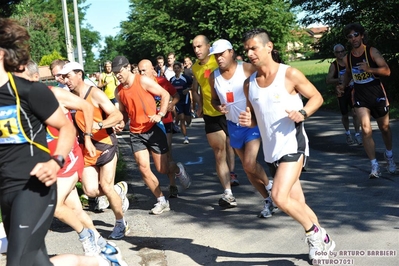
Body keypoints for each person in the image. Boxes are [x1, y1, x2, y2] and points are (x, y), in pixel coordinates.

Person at [0, 17, 126, 266]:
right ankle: (101, 262)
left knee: (19, 261)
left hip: (35, 186)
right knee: (36, 261)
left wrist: (57, 159)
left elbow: (66, 127)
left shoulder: (30, 91)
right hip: (7, 189)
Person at [239, 28, 335, 261]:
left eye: (254, 48)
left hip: (293, 144)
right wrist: (249, 119)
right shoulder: (249, 84)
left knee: (280, 198)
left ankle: (314, 234)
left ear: (269, 47)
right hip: (271, 151)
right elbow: (258, 115)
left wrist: (303, 112)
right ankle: (324, 241)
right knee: (297, 203)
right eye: (247, 50)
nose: (250, 53)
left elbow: (317, 97)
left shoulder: (289, 74)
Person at [58, 61, 129, 240]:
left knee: (105, 185)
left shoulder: (94, 93)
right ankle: (118, 190)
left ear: (79, 74)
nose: (66, 80)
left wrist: (99, 124)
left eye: (68, 76)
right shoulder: (68, 97)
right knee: (90, 190)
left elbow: (117, 115)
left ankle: (120, 222)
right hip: (86, 147)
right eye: (63, 77)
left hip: (105, 142)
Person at [112, 56, 191, 214]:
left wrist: (161, 113)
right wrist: (121, 123)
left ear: (127, 68)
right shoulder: (118, 90)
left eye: (119, 71)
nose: (117, 75)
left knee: (163, 169)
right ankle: (161, 200)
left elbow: (165, 94)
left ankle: (177, 169)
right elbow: (123, 113)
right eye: (115, 73)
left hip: (153, 128)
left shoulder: (142, 81)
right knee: (143, 168)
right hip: (136, 132)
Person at [209, 39, 276, 217]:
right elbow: (214, 100)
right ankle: (268, 199)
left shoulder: (246, 68)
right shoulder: (213, 76)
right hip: (233, 125)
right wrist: (218, 107)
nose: (219, 58)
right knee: (248, 169)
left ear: (231, 52)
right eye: (216, 55)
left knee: (249, 163)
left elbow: (266, 81)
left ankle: (271, 188)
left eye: (222, 54)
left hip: (252, 123)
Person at [339, 22, 396, 178]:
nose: (353, 38)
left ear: (362, 35)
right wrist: (343, 86)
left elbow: (387, 70)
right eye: (350, 36)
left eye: (356, 35)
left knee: (384, 128)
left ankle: (389, 157)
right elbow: (348, 74)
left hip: (376, 93)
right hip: (360, 95)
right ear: (348, 40)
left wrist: (369, 69)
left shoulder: (371, 52)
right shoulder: (348, 58)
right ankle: (374, 165)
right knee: (365, 128)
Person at [191, 35, 239, 208]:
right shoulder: (195, 68)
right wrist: (200, 104)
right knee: (219, 152)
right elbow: (196, 89)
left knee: (233, 146)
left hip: (230, 111)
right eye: (194, 47)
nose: (197, 50)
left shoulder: (218, 59)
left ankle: (236, 173)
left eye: (200, 46)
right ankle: (228, 192)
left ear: (208, 46)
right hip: (211, 113)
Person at [137, 59, 184, 198]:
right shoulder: (139, 84)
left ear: (152, 70)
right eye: (139, 71)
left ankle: (172, 185)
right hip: (148, 124)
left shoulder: (162, 82)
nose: (141, 73)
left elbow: (176, 95)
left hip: (165, 121)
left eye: (144, 70)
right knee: (154, 159)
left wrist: (171, 104)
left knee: (167, 153)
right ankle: (156, 180)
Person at [326, 43, 361, 145]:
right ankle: (348, 133)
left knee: (355, 112)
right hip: (341, 92)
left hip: (353, 90)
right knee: (345, 114)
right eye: (338, 52)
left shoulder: (350, 61)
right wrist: (338, 79)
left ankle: (357, 134)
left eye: (342, 51)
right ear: (335, 53)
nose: (340, 54)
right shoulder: (334, 65)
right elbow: (328, 80)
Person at [170, 62, 193, 144]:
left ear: (180, 69)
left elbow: (193, 85)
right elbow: (170, 90)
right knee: (181, 117)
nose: (176, 69)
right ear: (173, 69)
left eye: (177, 68)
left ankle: (189, 119)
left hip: (186, 100)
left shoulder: (185, 78)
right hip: (177, 101)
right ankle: (185, 137)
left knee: (188, 119)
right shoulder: (172, 80)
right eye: (175, 68)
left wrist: (188, 90)